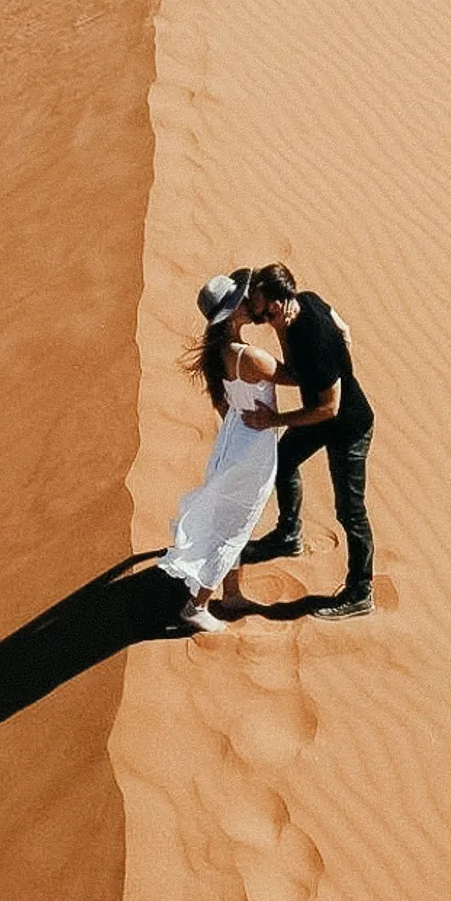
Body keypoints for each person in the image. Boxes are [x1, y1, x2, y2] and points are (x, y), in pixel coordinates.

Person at [238, 262, 376, 619]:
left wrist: (276, 419)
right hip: (320, 418)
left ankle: (361, 591)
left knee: (350, 512)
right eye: (259, 312)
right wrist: (341, 355)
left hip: (347, 428)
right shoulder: (307, 303)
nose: (263, 317)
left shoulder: (313, 339)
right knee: (283, 463)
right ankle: (289, 535)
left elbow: (329, 408)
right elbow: (343, 326)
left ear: (283, 301)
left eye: (267, 310)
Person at [159, 271, 282, 633]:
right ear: (230, 315)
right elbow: (300, 376)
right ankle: (197, 605)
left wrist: (240, 426)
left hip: (233, 440)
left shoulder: (221, 353)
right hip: (251, 450)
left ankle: (231, 593)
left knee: (231, 519)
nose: (250, 304)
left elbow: (222, 403)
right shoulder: (251, 357)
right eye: (242, 302)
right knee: (234, 524)